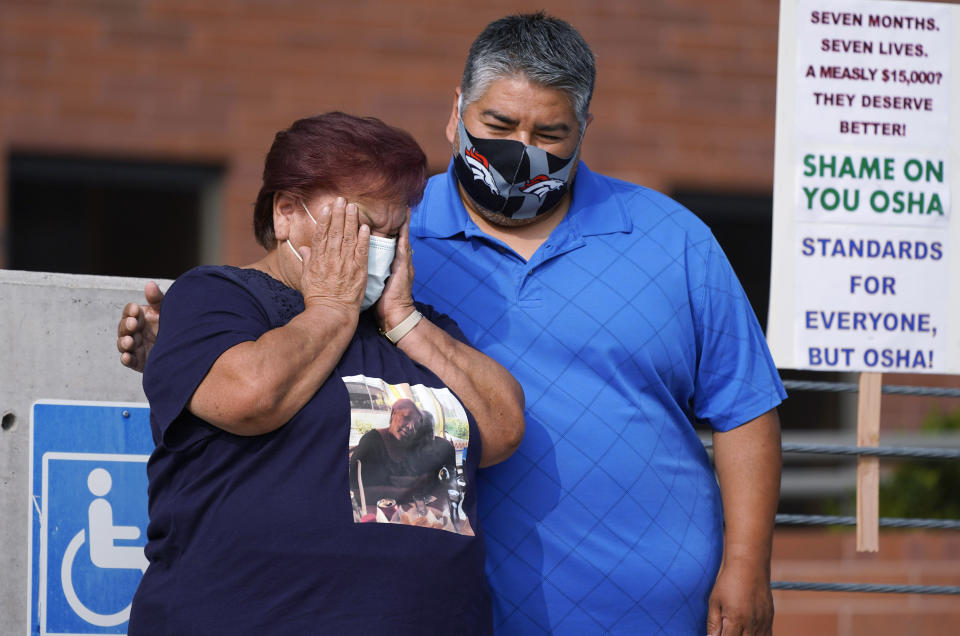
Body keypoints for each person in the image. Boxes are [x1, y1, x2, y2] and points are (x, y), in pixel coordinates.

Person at [119, 13, 785, 636]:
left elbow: (736, 408)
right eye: (499, 122)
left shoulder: (672, 239)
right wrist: (178, 346)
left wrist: (747, 563)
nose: (521, 150)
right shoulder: (408, 226)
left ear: (583, 129)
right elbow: (252, 380)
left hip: (643, 611)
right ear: (456, 115)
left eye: (549, 135)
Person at [125, 111, 524, 635]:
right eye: (360, 226)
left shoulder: (416, 328)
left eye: (393, 230)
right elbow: (251, 397)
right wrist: (332, 308)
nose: (376, 248)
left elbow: (501, 430)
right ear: (288, 212)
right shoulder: (217, 297)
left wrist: (405, 321)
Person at [349, 398, 458, 509]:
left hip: (406, 510)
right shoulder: (371, 441)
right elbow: (355, 490)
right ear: (393, 413)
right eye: (406, 417)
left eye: (416, 426)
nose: (410, 426)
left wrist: (419, 481)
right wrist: (405, 491)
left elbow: (419, 480)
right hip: (372, 512)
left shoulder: (408, 445)